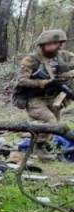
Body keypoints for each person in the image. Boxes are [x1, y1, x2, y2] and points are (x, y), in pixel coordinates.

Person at [13, 29, 74, 161]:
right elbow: (22, 80)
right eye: (49, 44)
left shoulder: (65, 56)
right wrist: (44, 82)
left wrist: (67, 74)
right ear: (42, 44)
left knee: (55, 124)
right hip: (35, 98)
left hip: (55, 97)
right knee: (49, 121)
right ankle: (39, 149)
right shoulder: (31, 59)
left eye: (56, 43)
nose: (53, 46)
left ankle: (44, 145)